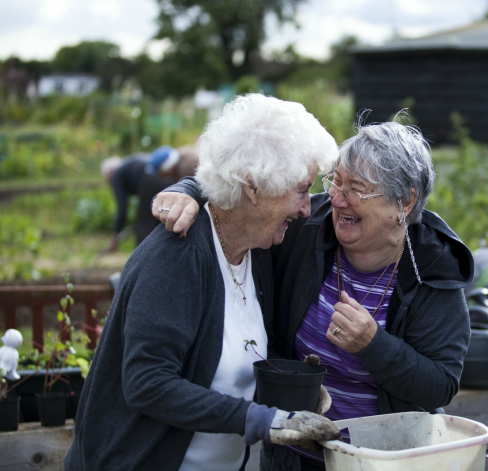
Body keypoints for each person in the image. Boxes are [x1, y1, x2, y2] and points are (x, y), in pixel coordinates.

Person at [154, 120, 474, 471]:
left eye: (356, 188)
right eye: (336, 181)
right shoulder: (307, 225)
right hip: (294, 457)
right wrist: (188, 190)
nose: (337, 198)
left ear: (405, 202)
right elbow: (248, 192)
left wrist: (374, 345)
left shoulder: (433, 268)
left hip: (383, 460)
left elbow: (440, 386)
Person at [66, 94, 341, 471]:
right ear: (252, 185)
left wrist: (291, 391)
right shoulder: (178, 255)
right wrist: (260, 420)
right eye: (300, 189)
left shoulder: (255, 247)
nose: (307, 207)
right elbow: (147, 382)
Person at [102, 145, 194, 251]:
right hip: (161, 179)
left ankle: (142, 259)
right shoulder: (130, 165)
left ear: (109, 173)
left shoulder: (116, 176)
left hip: (150, 181)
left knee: (143, 228)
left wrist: (115, 235)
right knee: (161, 219)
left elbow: (122, 208)